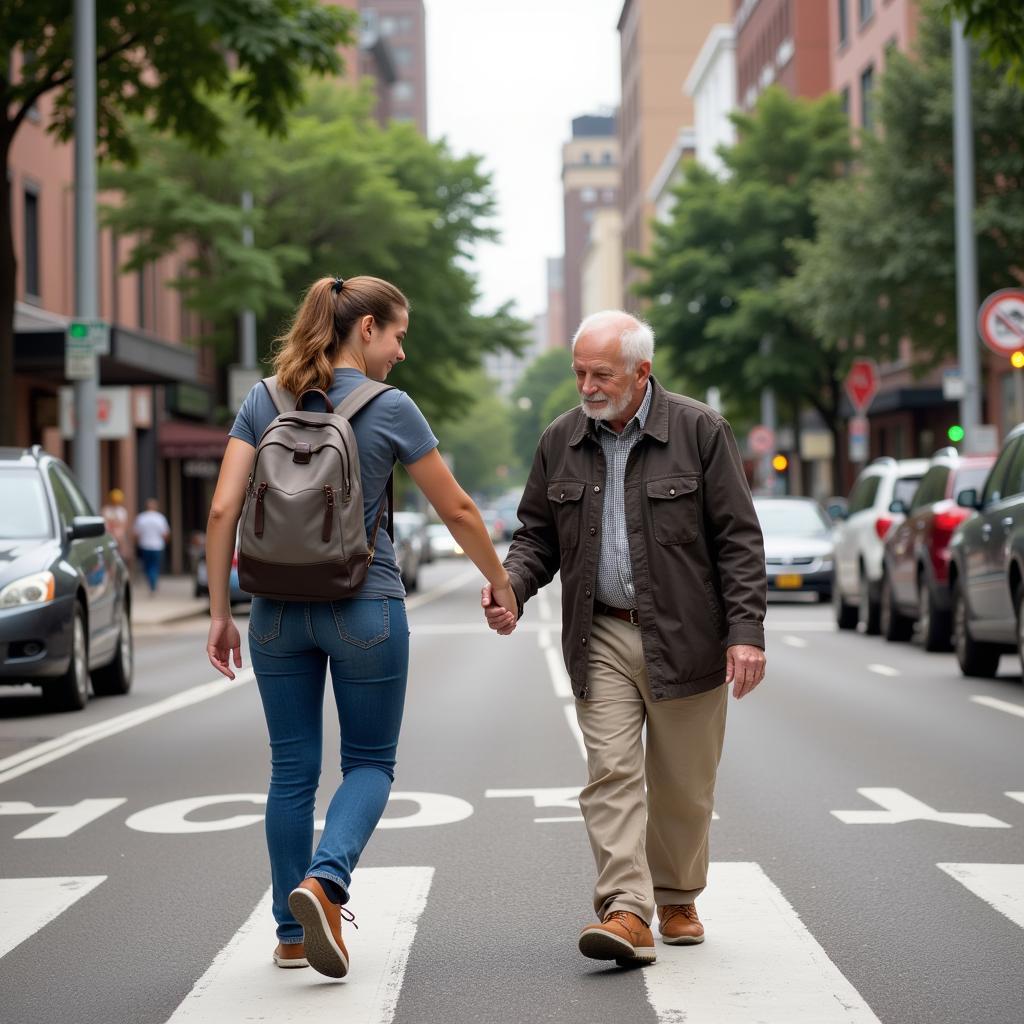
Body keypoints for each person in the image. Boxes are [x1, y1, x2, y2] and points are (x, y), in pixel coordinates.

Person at [204, 275, 517, 980]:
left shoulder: (263, 398)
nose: (401, 355)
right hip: (363, 605)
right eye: (399, 336)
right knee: (370, 763)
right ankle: (325, 880)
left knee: (290, 771)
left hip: (276, 612)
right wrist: (500, 584)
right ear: (366, 327)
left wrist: (222, 613)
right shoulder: (392, 408)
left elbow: (223, 510)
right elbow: (460, 510)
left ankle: (289, 934)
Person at [482, 310, 767, 966]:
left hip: (688, 636)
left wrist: (745, 633)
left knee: (683, 785)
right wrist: (513, 588)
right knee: (611, 773)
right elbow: (535, 536)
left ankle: (676, 894)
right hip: (601, 632)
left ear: (642, 372)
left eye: (600, 373)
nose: (586, 385)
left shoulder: (699, 431)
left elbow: (738, 541)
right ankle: (626, 910)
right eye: (579, 372)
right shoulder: (561, 440)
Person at [133, 498, 170, 593]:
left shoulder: (141, 518)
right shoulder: (160, 518)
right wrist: (165, 542)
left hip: (145, 545)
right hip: (157, 546)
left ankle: (151, 583)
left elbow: (136, 534)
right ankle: (153, 583)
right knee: (155, 566)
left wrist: (137, 544)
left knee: (147, 566)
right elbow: (165, 534)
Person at [101, 488, 130, 563]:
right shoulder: (106, 510)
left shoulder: (122, 511)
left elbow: (124, 526)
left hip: (119, 539)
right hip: (109, 538)